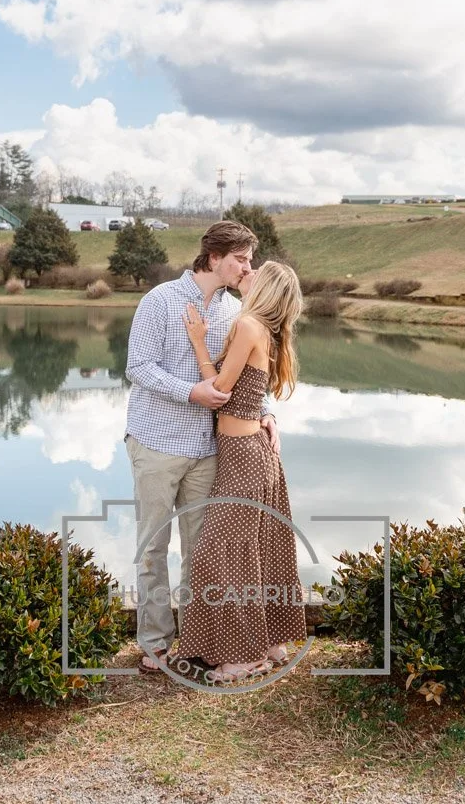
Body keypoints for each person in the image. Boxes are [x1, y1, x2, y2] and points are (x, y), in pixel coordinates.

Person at [124, 221, 280, 674]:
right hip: (156, 442)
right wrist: (190, 392)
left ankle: (195, 643)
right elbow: (139, 367)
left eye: (250, 259)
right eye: (241, 259)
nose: (247, 267)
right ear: (214, 258)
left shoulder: (237, 312)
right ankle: (155, 643)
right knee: (152, 546)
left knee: (203, 549)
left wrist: (268, 411)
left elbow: (252, 370)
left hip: (211, 449)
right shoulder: (160, 301)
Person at [172, 260, 306, 682]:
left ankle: (240, 657)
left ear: (264, 286)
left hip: (245, 457)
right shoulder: (264, 330)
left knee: (222, 551)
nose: (246, 273)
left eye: (254, 272)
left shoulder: (249, 325)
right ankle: (272, 642)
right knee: (260, 548)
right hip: (253, 453)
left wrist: (197, 342)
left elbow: (219, 392)